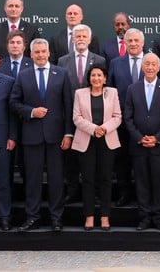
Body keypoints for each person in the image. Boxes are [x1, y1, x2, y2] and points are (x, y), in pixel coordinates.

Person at [10, 38, 72, 232]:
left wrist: (68, 133)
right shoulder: (23, 75)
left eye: (43, 51)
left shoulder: (61, 74)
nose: (40, 55)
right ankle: (33, 217)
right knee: (33, 179)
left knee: (55, 179)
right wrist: (31, 111)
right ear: (31, 54)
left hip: (56, 136)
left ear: (48, 53)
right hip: (31, 136)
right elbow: (13, 103)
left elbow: (68, 106)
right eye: (36, 52)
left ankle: (56, 218)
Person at [124, 53, 160, 231]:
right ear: (142, 67)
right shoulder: (132, 88)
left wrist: (158, 137)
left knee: (159, 183)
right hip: (139, 145)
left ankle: (159, 218)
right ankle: (144, 217)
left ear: (159, 67)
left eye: (154, 64)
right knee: (142, 182)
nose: (150, 67)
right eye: (147, 64)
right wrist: (139, 137)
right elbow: (127, 117)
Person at [58, 23, 107, 203]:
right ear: (72, 39)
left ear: (89, 39)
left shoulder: (100, 60)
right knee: (71, 158)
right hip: (70, 115)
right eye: (77, 36)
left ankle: (93, 192)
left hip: (93, 118)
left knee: (93, 158)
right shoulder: (63, 61)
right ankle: (72, 191)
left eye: (84, 36)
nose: (80, 39)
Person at [72, 67, 121, 231]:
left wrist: (104, 128)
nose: (96, 78)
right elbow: (76, 118)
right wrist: (94, 129)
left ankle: (105, 216)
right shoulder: (80, 93)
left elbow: (117, 116)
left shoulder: (112, 93)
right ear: (89, 78)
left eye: (99, 75)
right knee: (88, 180)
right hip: (87, 140)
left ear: (105, 78)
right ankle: (89, 216)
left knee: (106, 179)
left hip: (107, 140)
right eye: (93, 75)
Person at [106, 27, 146, 206]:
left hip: (145, 121)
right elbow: (110, 90)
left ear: (143, 43)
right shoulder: (116, 63)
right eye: (130, 41)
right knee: (122, 160)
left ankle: (142, 195)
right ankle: (124, 194)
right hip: (121, 121)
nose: (133, 44)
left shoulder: (152, 62)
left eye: (137, 41)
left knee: (143, 161)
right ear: (125, 43)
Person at [0, 50, 16, 231]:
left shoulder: (8, 82)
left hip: (1, 139)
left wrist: (12, 136)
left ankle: (4, 217)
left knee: (2, 181)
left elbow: (13, 113)